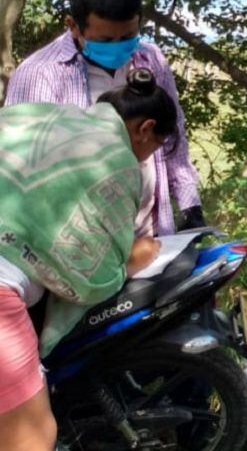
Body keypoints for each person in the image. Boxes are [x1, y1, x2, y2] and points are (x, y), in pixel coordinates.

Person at [0, 69, 176, 451]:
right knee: (30, 437)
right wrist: (132, 258)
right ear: (145, 129)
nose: (148, 156)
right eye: (155, 146)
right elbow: (90, 276)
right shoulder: (116, 163)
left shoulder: (36, 114)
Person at [5, 0, 205, 236]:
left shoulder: (150, 59)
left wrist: (190, 205)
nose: (119, 47)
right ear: (73, 26)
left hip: (147, 232)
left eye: (128, 37)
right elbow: (18, 170)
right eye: (106, 41)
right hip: (73, 241)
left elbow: (172, 133)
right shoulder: (41, 74)